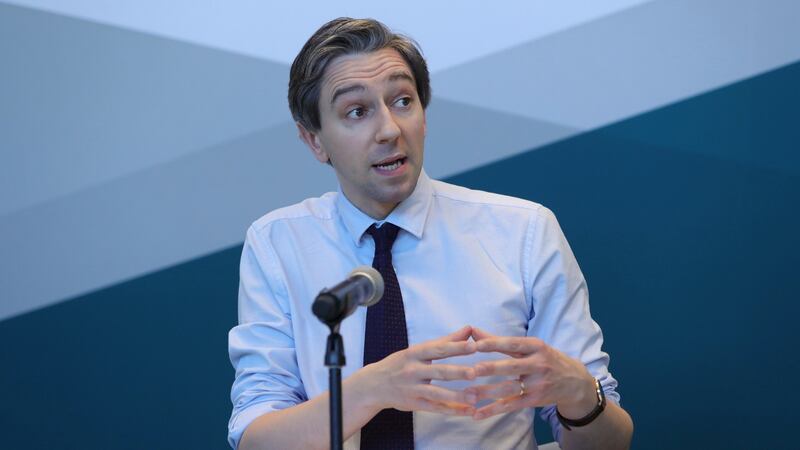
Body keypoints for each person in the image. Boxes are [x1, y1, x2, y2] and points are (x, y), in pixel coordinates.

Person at [228, 17, 633, 450]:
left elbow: (611, 442)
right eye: (357, 112)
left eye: (403, 101)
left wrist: (576, 392)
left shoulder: (523, 232)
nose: (389, 130)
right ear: (314, 141)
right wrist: (374, 388)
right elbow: (256, 438)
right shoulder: (278, 244)